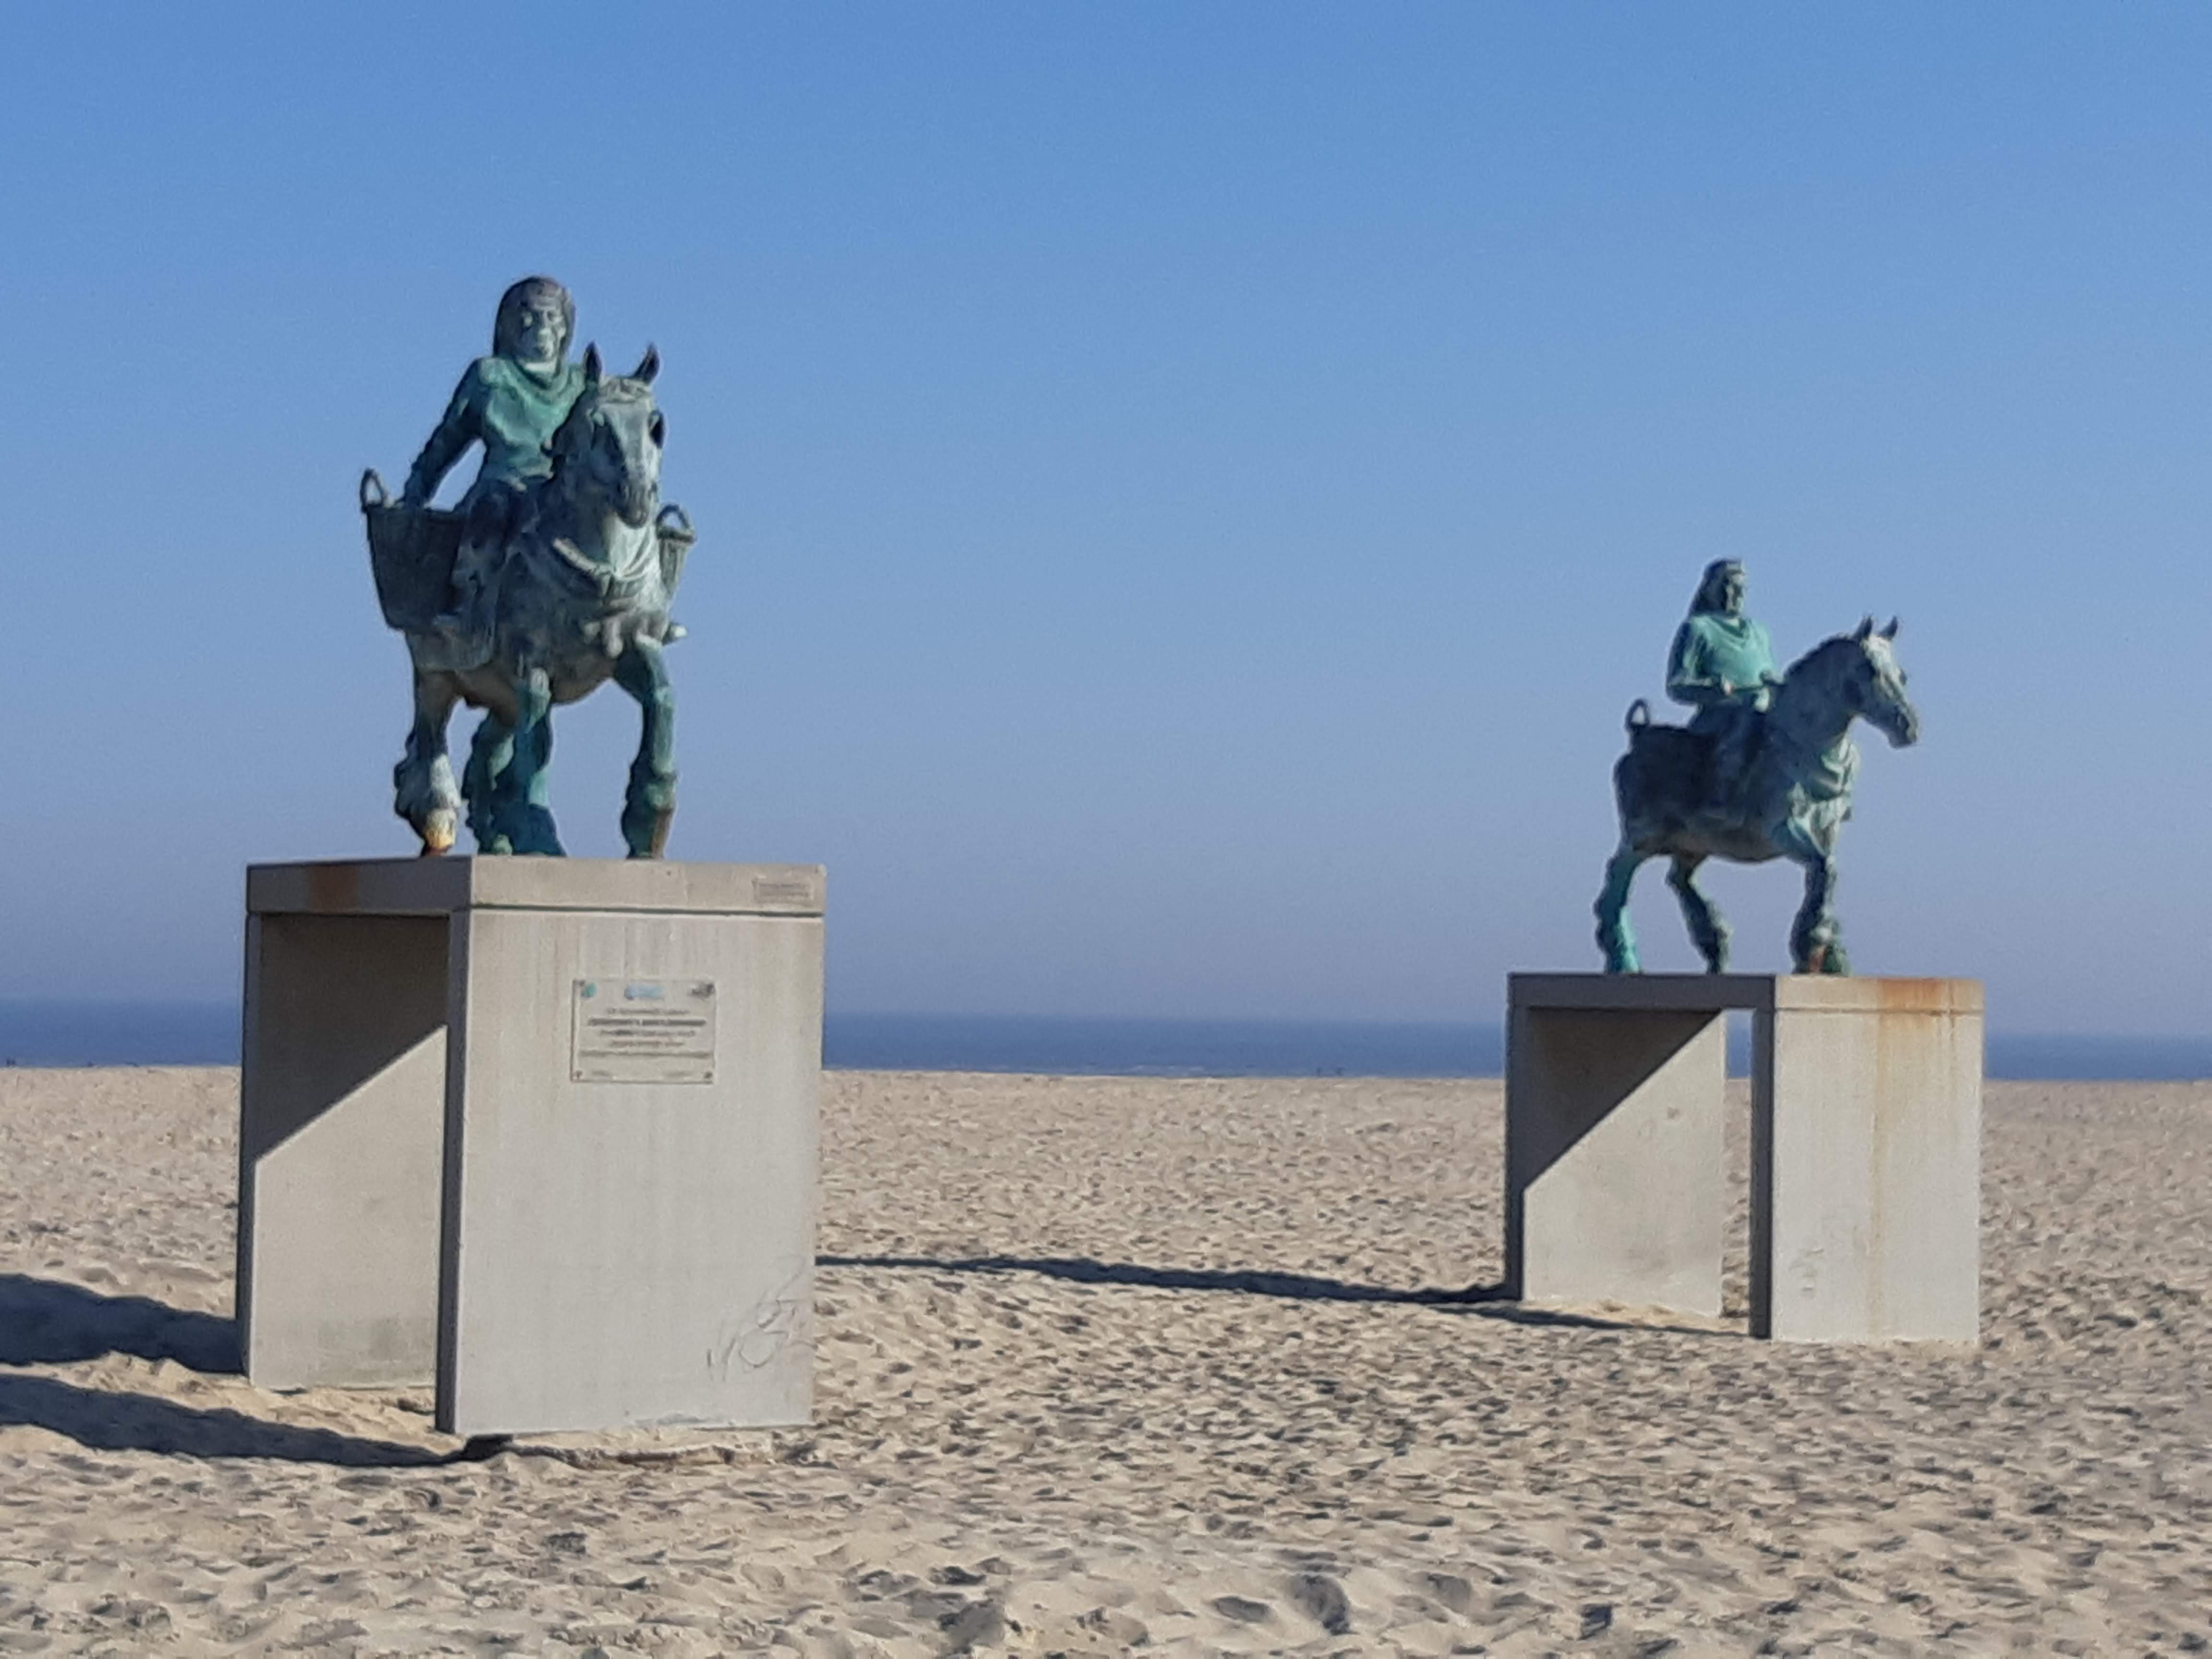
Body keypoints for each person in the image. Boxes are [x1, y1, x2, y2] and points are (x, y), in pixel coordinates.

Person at [404, 276, 586, 637]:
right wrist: (416, 491)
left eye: (552, 317)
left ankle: (639, 613)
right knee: (491, 510)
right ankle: (467, 603)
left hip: (561, 490)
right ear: (509, 325)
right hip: (506, 485)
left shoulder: (582, 384)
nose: (541, 327)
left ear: (566, 328)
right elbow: (447, 441)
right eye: (530, 316)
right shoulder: (489, 377)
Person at [1665, 559, 1781, 807]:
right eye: (1728, 586)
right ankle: (1721, 800)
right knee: (1744, 731)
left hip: (1765, 714)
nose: (1736, 594)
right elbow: (1677, 684)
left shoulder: (1759, 632)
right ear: (1711, 589)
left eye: (1741, 588)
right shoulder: (1698, 628)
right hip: (1722, 721)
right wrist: (1711, 688)